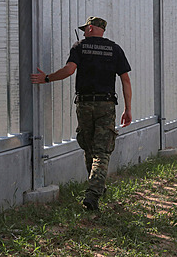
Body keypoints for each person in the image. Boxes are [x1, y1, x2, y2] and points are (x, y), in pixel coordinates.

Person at [31, 16, 132, 211]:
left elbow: (70, 70)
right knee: (102, 150)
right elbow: (125, 80)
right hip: (106, 104)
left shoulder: (80, 47)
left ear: (92, 28)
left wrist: (47, 78)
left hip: (85, 104)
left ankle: (94, 191)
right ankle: (95, 191)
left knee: (90, 148)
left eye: (86, 28)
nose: (85, 31)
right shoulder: (115, 49)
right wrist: (128, 109)